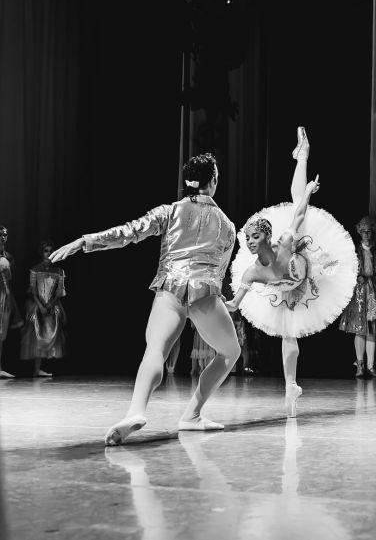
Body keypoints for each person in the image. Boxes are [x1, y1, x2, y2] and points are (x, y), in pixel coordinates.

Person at [49, 153, 240, 445]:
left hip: (170, 290)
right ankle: (191, 415)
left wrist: (84, 241)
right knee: (229, 352)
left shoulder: (170, 211)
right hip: (205, 294)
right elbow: (220, 270)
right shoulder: (227, 225)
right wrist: (221, 300)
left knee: (155, 351)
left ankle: (135, 411)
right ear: (213, 181)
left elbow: (128, 232)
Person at [226, 128, 357, 416]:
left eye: (254, 238)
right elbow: (235, 304)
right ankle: (291, 386)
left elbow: (298, 212)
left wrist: (310, 191)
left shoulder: (285, 241)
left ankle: (303, 156)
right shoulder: (251, 273)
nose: (249, 243)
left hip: (303, 263)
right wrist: (216, 301)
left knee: (300, 202)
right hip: (286, 289)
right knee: (289, 331)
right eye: (247, 239)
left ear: (266, 238)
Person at [339, 216, 376, 378]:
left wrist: (372, 282)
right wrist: (357, 278)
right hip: (358, 297)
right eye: (363, 232)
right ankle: (360, 365)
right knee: (359, 330)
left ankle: (370, 366)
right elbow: (345, 273)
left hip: (373, 295)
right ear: (359, 233)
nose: (366, 235)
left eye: (369, 232)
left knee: (372, 330)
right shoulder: (353, 254)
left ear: (372, 233)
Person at [20, 239, 67, 377]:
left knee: (51, 332)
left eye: (51, 251)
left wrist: (51, 304)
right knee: (37, 333)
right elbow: (33, 290)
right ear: (42, 253)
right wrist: (40, 305)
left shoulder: (59, 271)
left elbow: (59, 292)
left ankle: (42, 369)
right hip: (38, 304)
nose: (49, 253)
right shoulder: (35, 269)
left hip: (52, 304)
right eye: (46, 251)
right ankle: (36, 368)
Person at [0, 225, 24, 378]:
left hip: (4, 296)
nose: (3, 237)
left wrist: (5, 267)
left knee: (1, 334)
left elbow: (10, 278)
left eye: (5, 235)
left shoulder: (9, 257)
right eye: (0, 234)